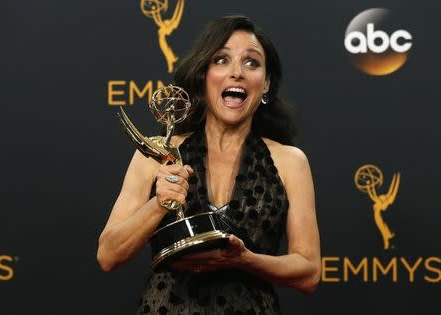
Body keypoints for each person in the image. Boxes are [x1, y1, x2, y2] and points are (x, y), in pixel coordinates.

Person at [97, 15, 320, 315]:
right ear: (203, 75)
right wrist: (160, 203)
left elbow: (308, 272)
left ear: (266, 83)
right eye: (222, 60)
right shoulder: (157, 154)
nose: (237, 73)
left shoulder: (290, 162)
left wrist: (245, 260)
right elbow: (108, 255)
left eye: (252, 63)